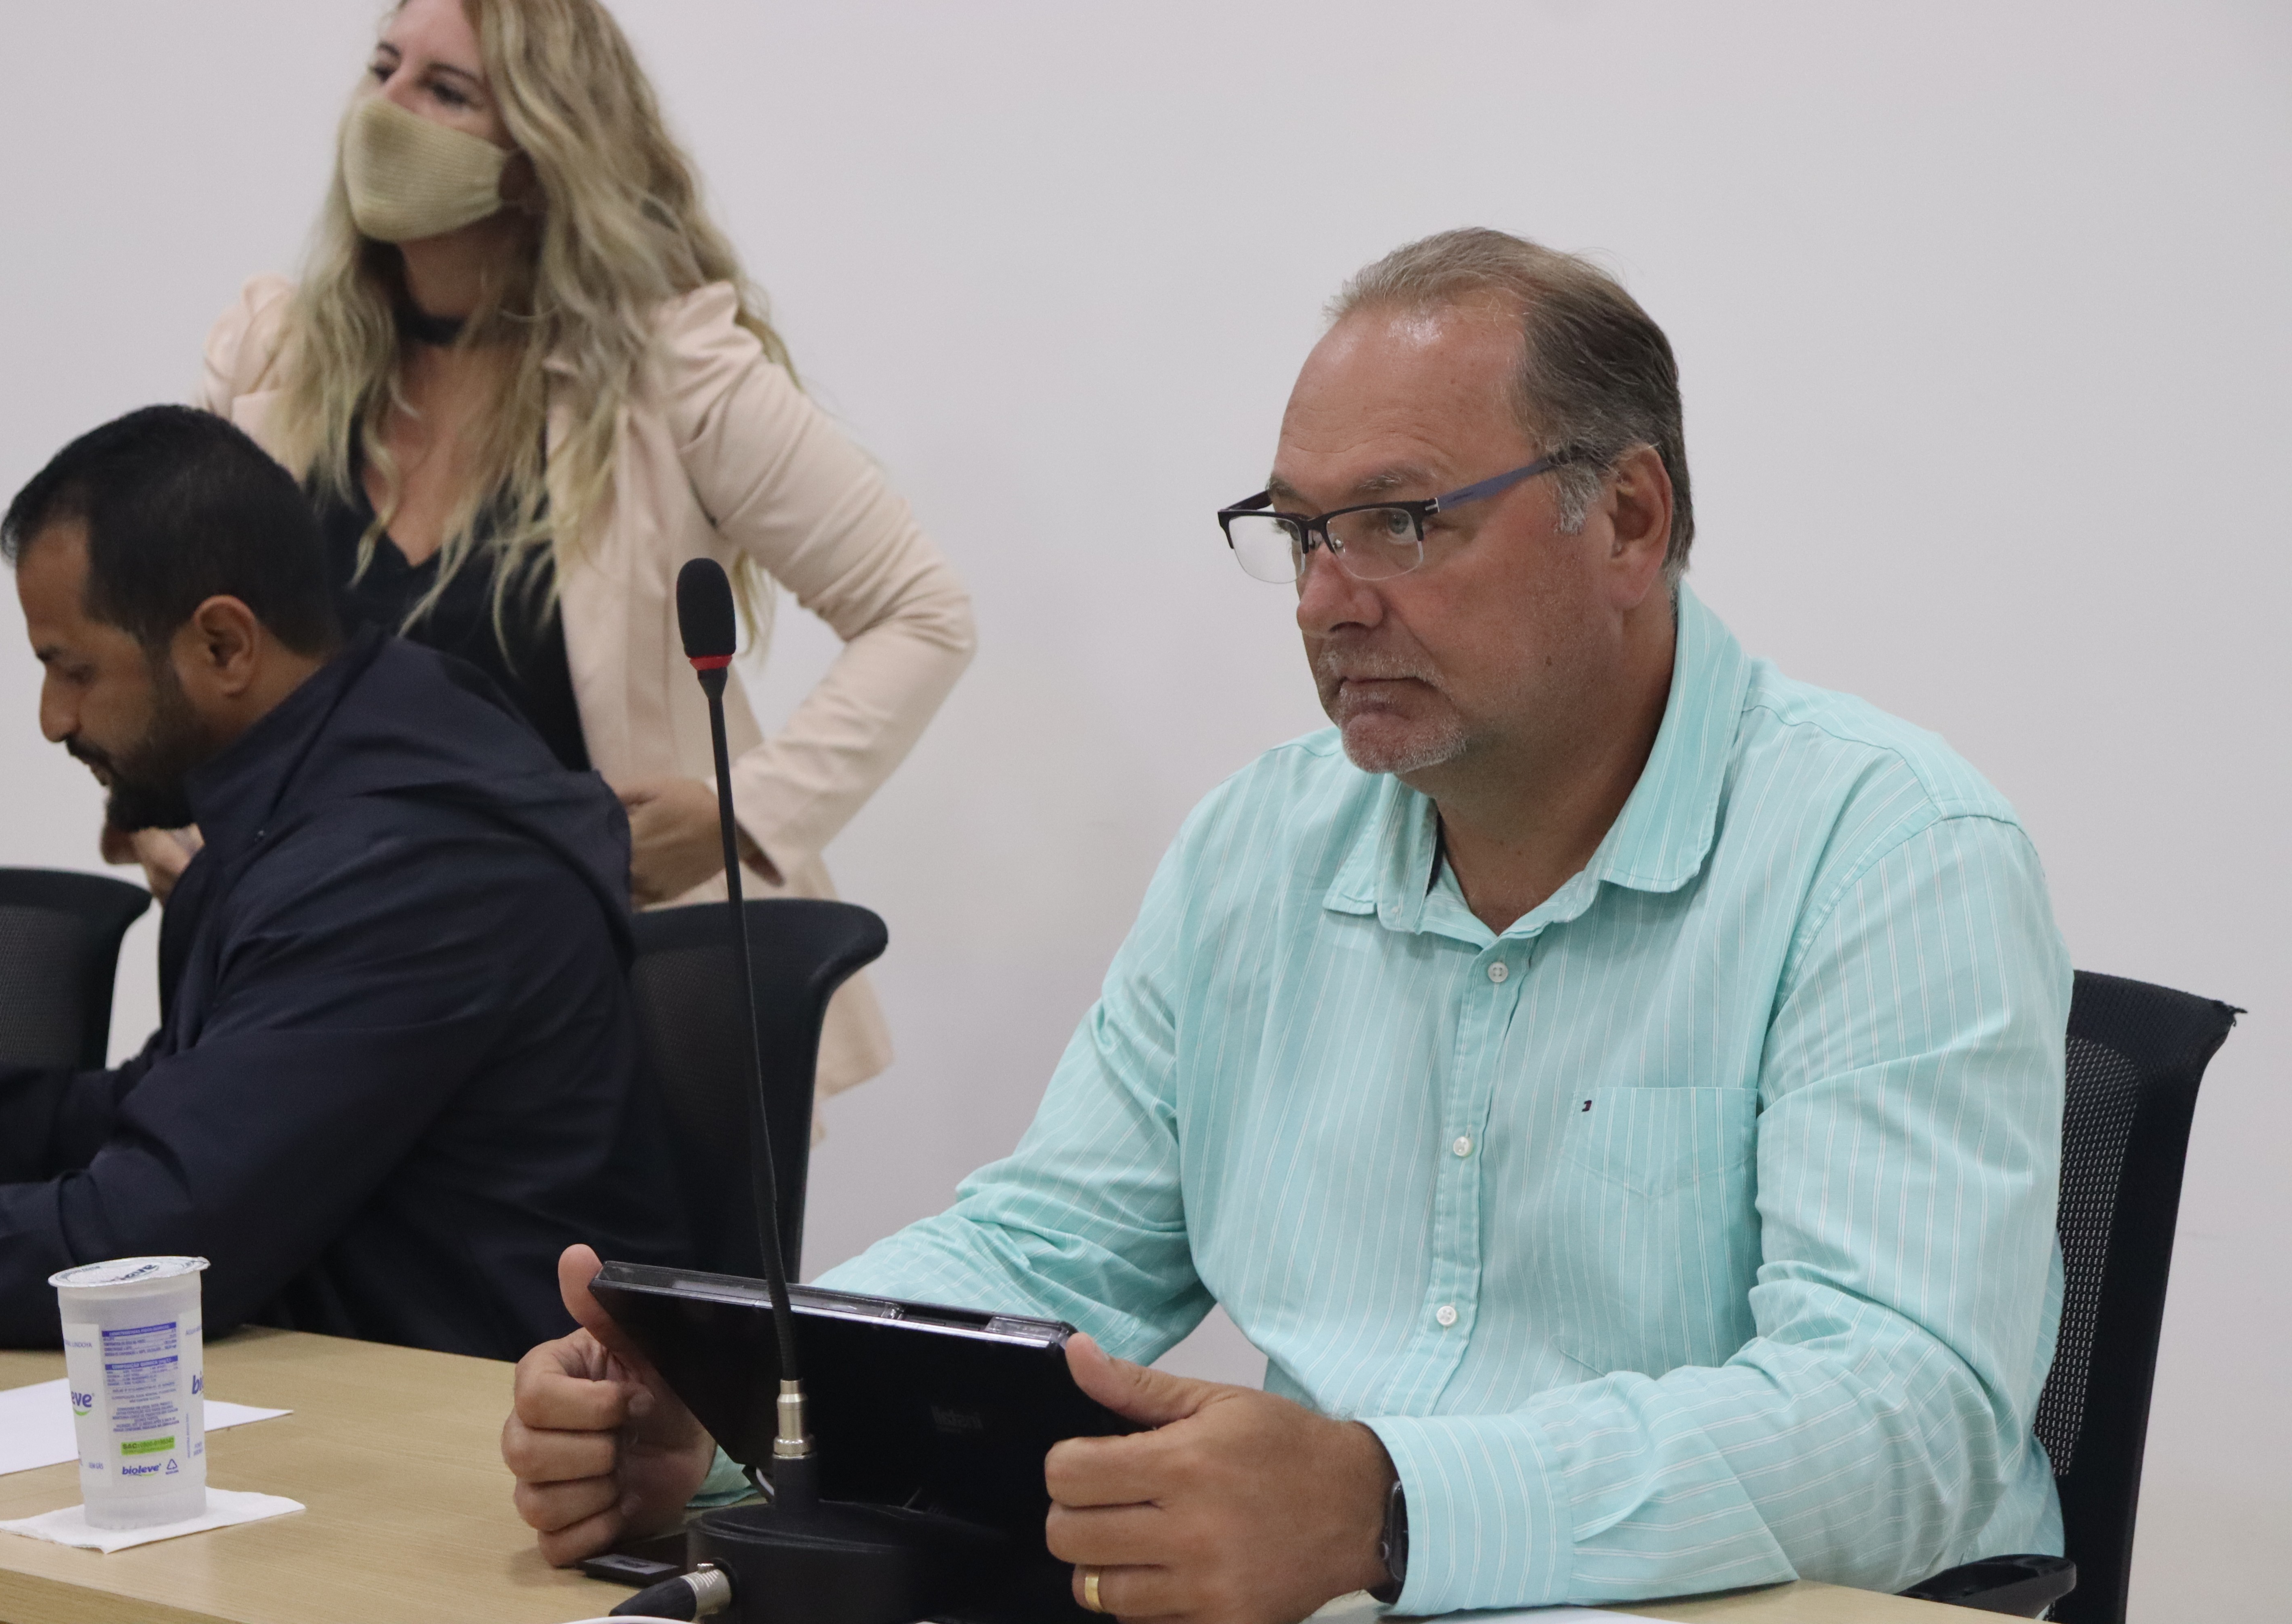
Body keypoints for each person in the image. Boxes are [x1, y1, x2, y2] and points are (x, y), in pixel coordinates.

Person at [498, 229, 2071, 1624]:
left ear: (1631, 521)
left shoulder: (1888, 853)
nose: (1326, 599)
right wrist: (740, 1409)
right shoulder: (1260, 847)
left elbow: (1904, 1417)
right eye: (1303, 531)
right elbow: (1050, 1248)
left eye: (1401, 522)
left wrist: (1388, 1506)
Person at [158, 0, 975, 1106]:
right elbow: (168, 640)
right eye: (384, 69)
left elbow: (921, 613)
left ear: (541, 159)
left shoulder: (672, 377)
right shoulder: (272, 359)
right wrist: (167, 809)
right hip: (315, 1013)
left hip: (599, 1033)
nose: (387, 110)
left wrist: (740, 816)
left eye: (446, 92)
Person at [0, 406, 688, 1358]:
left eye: (74, 670)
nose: (54, 717)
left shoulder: (406, 862)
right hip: (334, 1381)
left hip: (460, 1418)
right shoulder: (323, 790)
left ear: (223, 645)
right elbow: (155, 1117)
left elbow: (158, 1239)